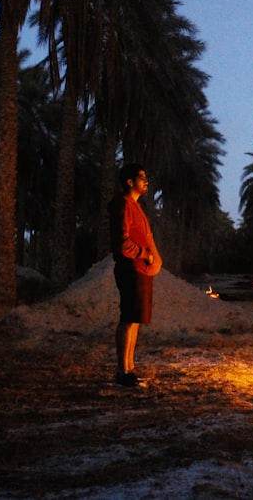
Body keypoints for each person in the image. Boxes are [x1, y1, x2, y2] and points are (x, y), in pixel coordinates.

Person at [108, 162, 162, 388]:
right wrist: (144, 254)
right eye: (141, 177)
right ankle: (122, 371)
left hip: (141, 269)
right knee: (128, 318)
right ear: (129, 182)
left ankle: (130, 367)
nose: (146, 180)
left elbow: (145, 236)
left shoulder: (137, 206)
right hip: (131, 268)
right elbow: (123, 242)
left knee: (135, 320)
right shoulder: (123, 205)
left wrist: (154, 259)